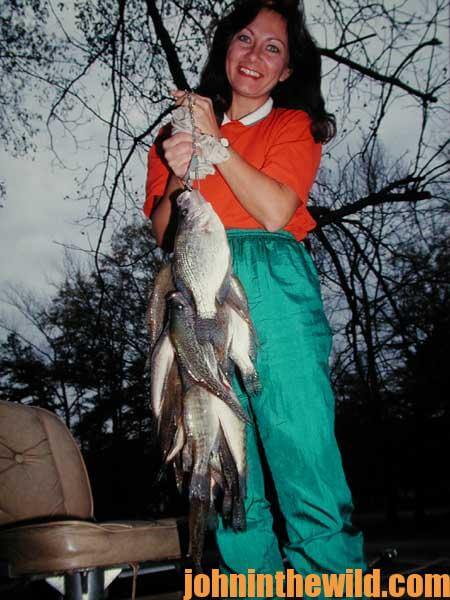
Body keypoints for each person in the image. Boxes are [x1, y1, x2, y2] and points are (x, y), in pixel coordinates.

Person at [144, 0, 367, 595]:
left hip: (273, 280)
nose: (255, 56)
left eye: (273, 48)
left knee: (301, 445)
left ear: (287, 70)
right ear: (225, 47)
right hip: (195, 281)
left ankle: (334, 584)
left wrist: (216, 144)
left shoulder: (294, 126)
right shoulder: (174, 135)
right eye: (245, 39)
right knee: (221, 455)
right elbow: (165, 229)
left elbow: (273, 210)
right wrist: (178, 165)